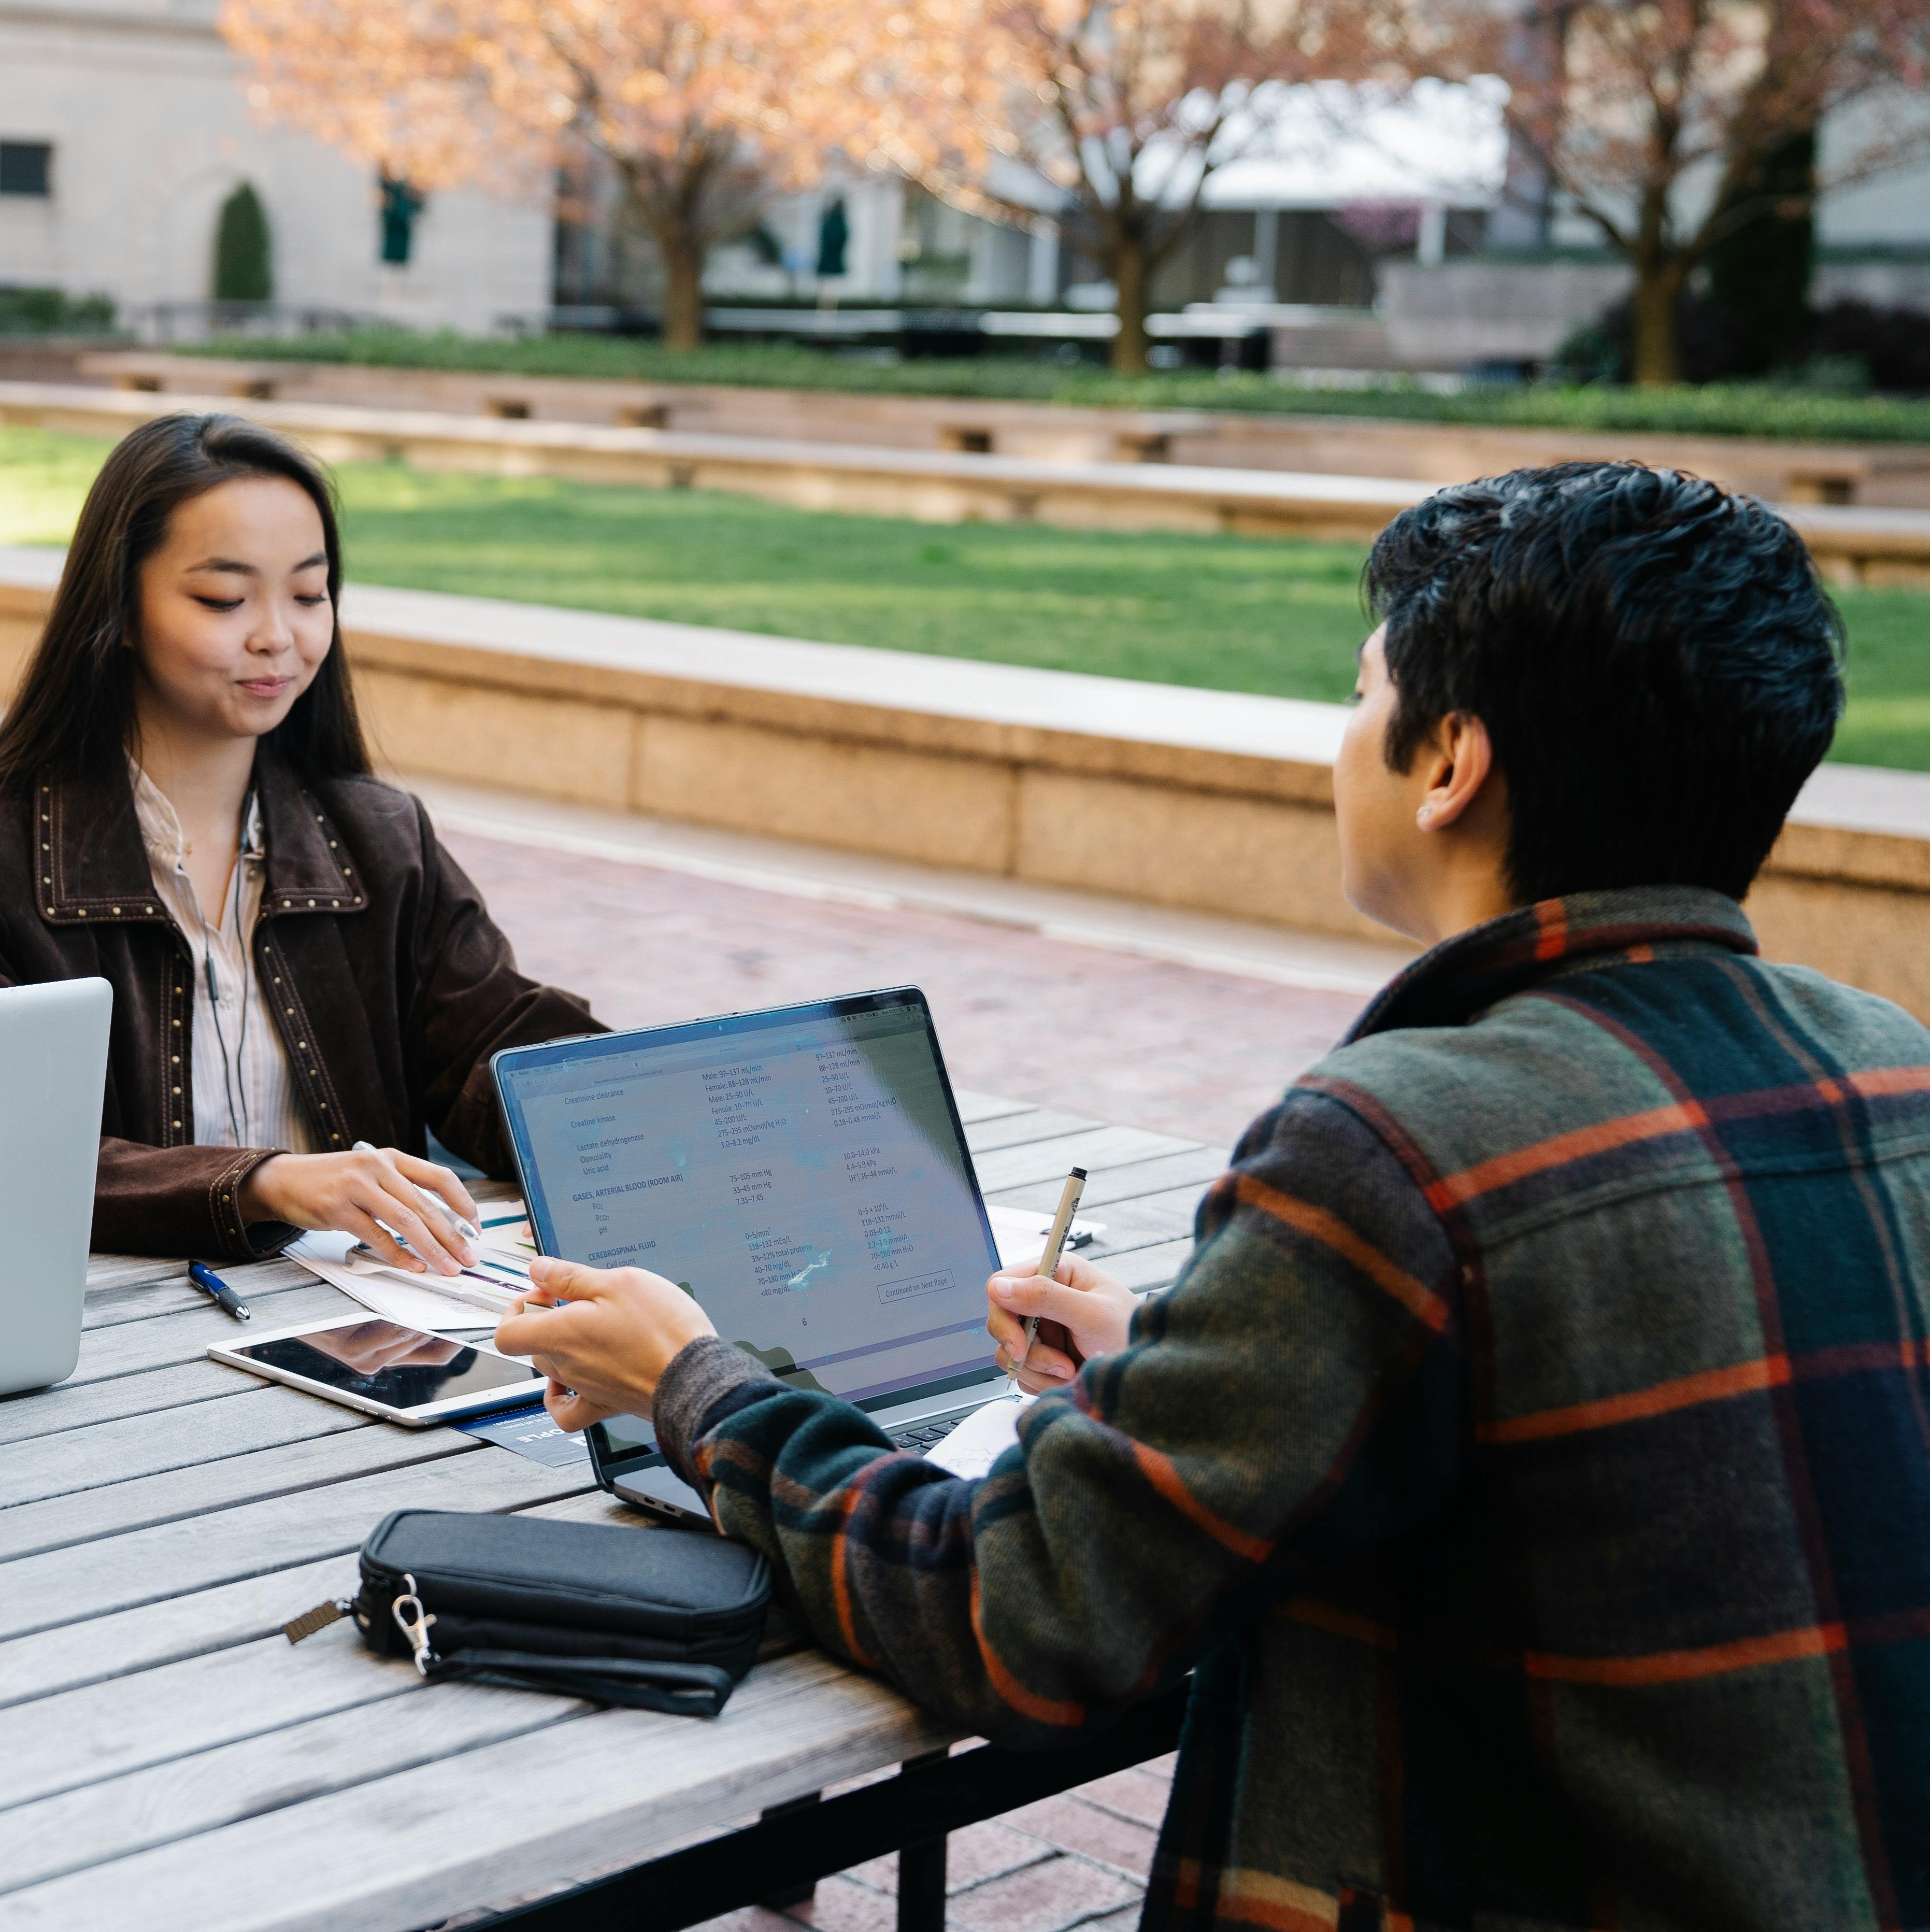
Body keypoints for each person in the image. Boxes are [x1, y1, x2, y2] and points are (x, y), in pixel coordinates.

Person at [497, 463, 1930, 1928]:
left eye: (1364, 696)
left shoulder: (1396, 1147)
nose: (1344, 740)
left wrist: (696, 1389)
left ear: (1448, 767)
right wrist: (1180, 1378)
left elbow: (1025, 1620)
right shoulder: (1896, 1071)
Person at [0, 411, 601, 1263]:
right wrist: (262, 1184)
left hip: (368, 1328)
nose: (278, 637)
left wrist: (636, 1099)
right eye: (224, 598)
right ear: (119, 610)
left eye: (308, 594)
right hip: (102, 1343)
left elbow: (499, 1047)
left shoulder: (380, 841)